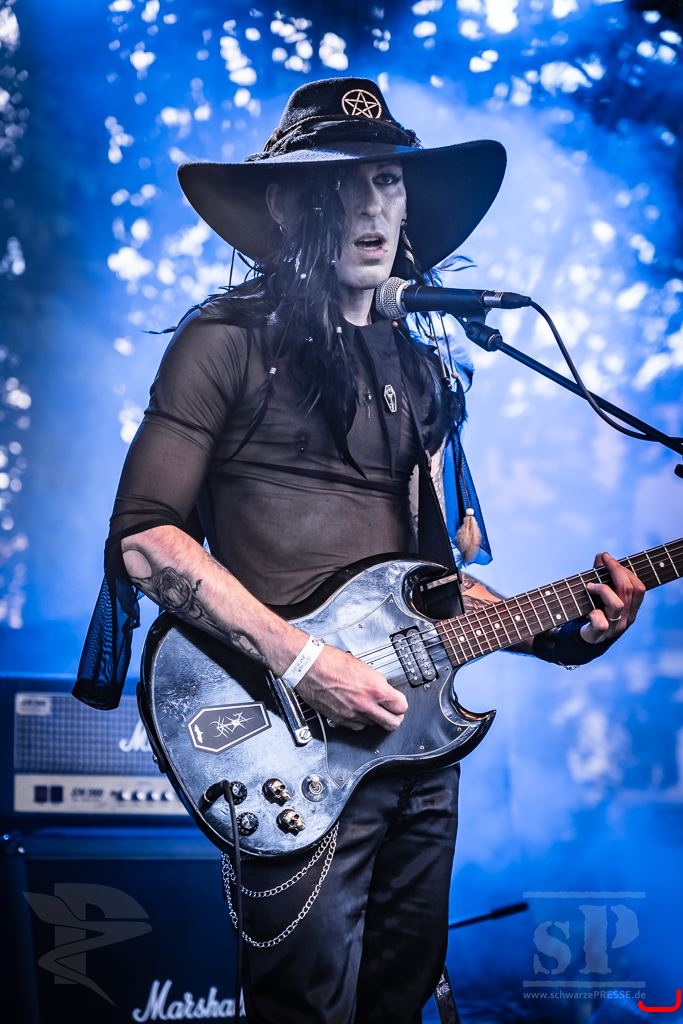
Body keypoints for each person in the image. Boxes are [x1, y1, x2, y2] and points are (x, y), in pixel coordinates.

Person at [74, 77, 645, 1024]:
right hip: (289, 743)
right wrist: (305, 663)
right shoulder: (223, 342)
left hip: (416, 749)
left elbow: (432, 588)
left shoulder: (422, 367)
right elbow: (146, 542)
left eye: (384, 181)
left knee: (398, 1001)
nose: (367, 207)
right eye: (336, 185)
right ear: (286, 205)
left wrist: (568, 631)